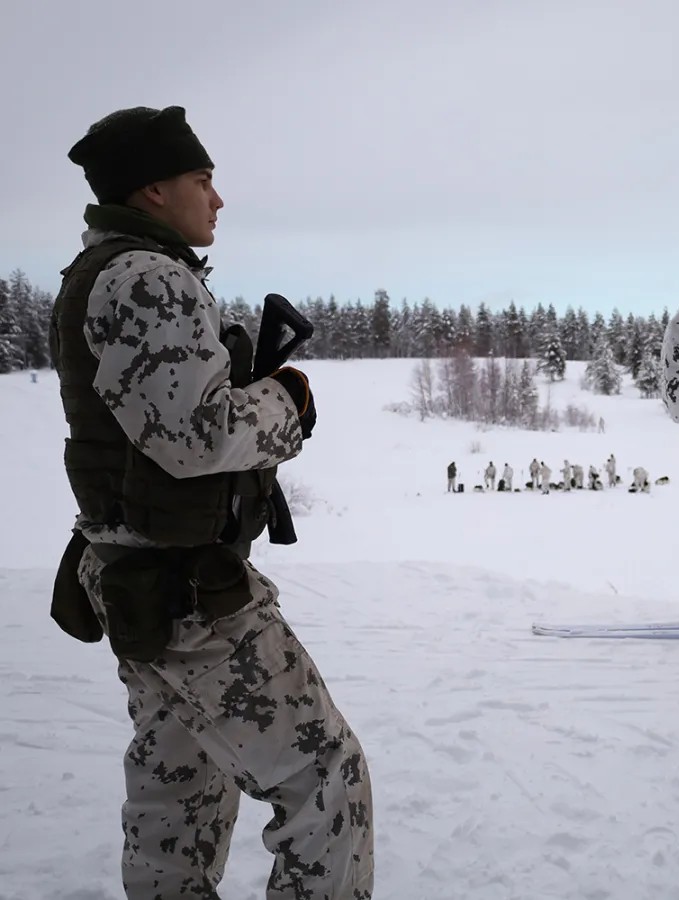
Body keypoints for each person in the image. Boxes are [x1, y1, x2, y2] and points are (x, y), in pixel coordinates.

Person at [50, 106, 373, 897]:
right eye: (202, 179)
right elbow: (194, 437)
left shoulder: (102, 270)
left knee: (179, 788)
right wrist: (286, 402)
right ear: (153, 189)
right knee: (325, 779)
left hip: (136, 575)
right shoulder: (148, 277)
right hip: (188, 591)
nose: (218, 198)